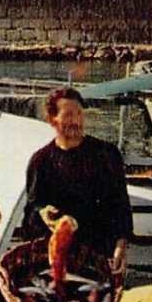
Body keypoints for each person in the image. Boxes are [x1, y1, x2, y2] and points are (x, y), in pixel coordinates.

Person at [19, 87, 132, 274]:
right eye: (68, 115)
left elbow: (121, 207)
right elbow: (31, 211)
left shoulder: (107, 154)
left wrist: (121, 246)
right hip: (57, 256)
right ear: (51, 119)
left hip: (99, 253)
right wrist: (43, 213)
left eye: (79, 113)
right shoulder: (41, 161)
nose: (76, 121)